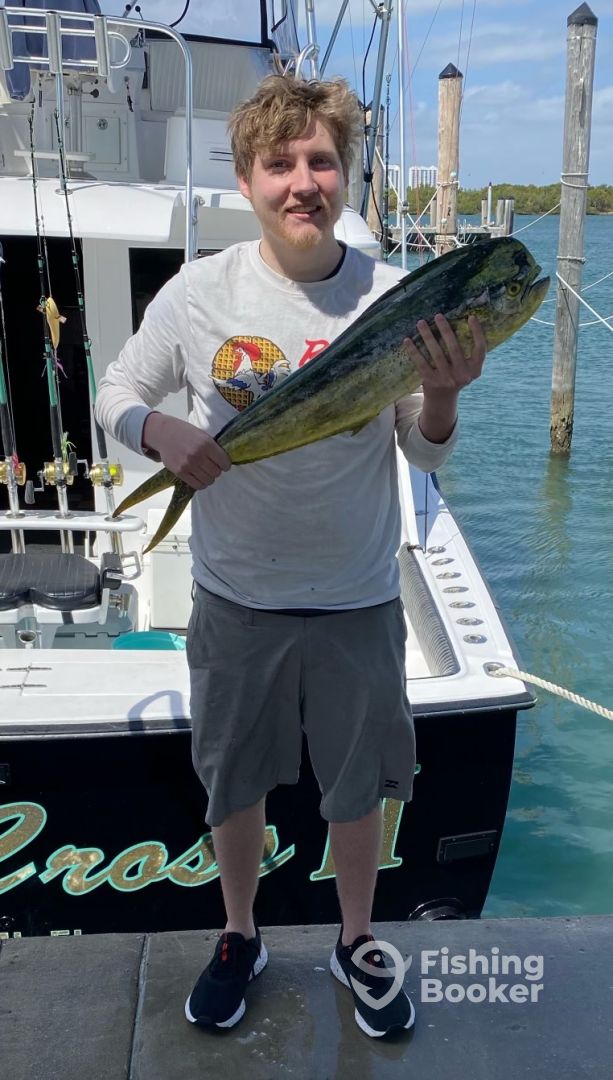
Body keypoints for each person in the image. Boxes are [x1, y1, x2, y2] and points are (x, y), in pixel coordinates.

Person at [95, 75, 486, 1039]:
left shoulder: (390, 297)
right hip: (237, 598)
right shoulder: (199, 293)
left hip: (358, 598)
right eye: (279, 164)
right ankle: (240, 934)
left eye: (320, 161)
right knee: (235, 785)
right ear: (246, 181)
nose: (302, 182)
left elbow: (422, 451)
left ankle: (357, 940)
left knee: (357, 794)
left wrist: (442, 396)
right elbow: (117, 392)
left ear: (345, 174)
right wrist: (158, 431)